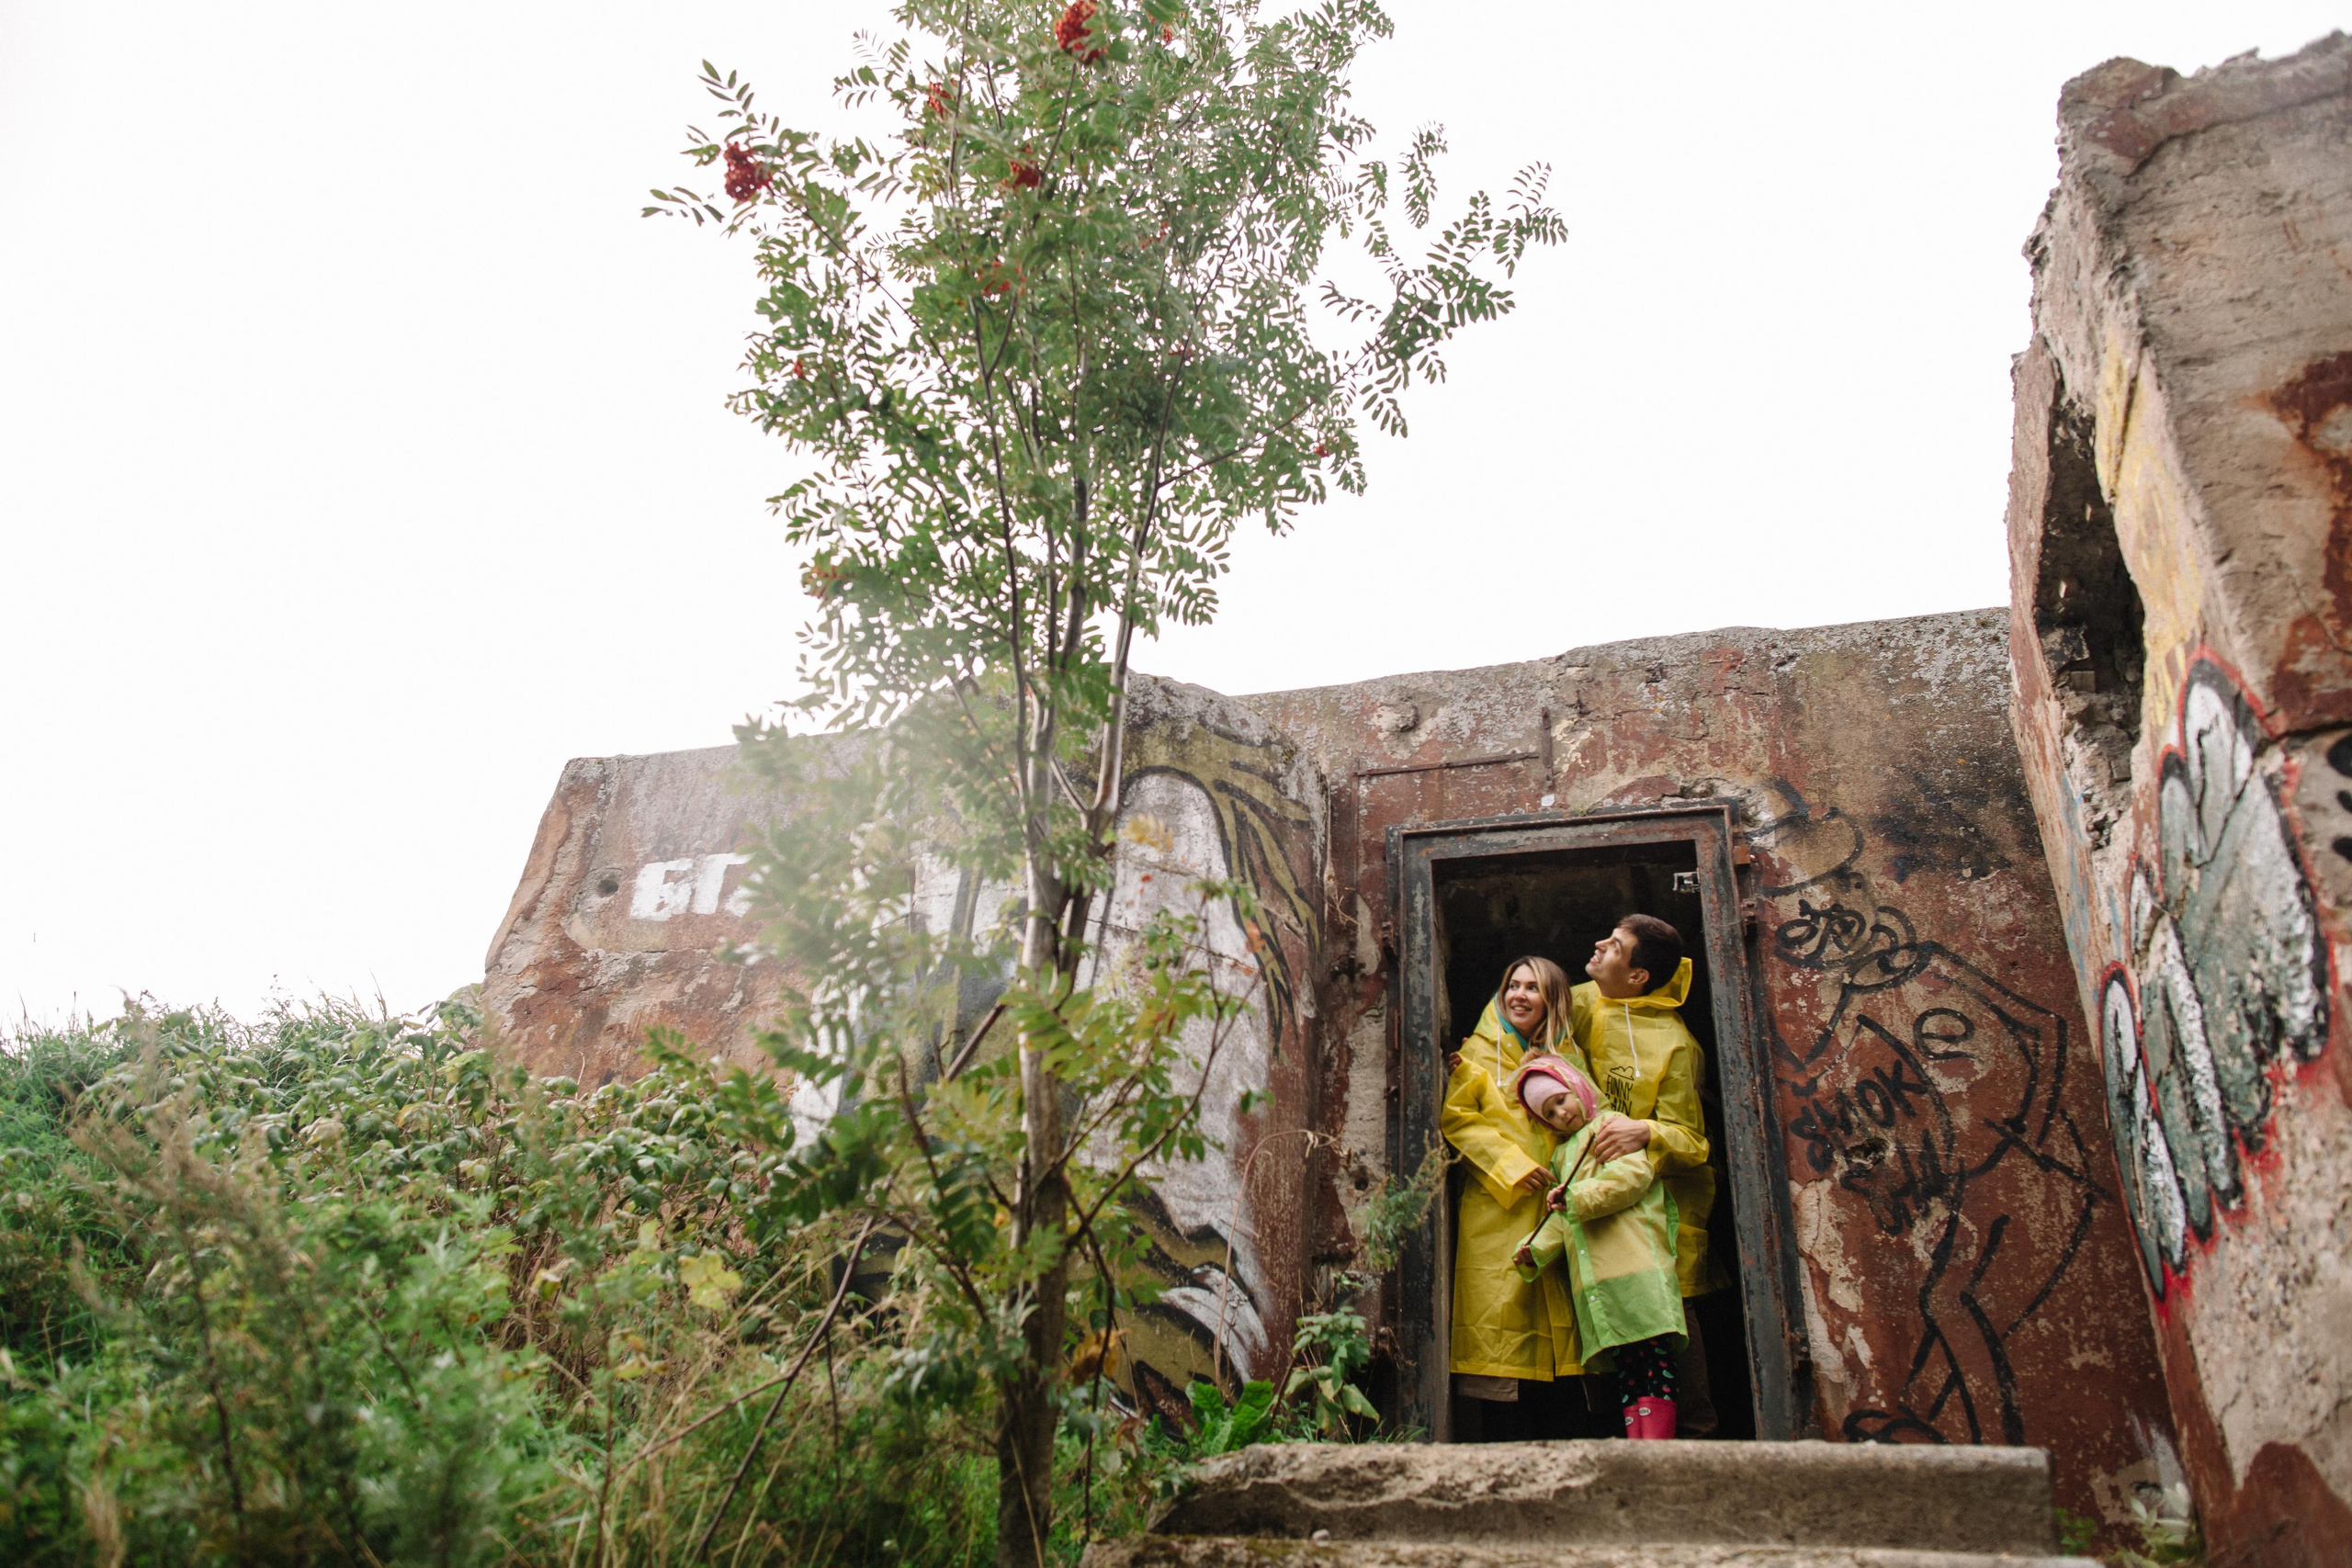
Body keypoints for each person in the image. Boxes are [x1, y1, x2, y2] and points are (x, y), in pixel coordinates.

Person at [1571, 914, 1724, 1432]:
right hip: (1590, 1199)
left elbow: (1695, 1142)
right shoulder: (1581, 1000)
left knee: (1671, 1334)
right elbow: (1513, 1027)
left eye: (1614, 946)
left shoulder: (1675, 1044)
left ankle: (1694, 1449)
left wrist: (1646, 1132)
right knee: (1598, 1329)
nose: (1599, 945)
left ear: (1638, 976)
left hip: (1658, 1217)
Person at [1440, 955, 1589, 1431]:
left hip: (1561, 1212)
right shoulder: (1477, 1054)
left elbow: (1591, 1120)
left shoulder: (1571, 1057)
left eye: (1533, 988)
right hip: (1498, 1215)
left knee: (1565, 1354)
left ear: (1552, 1000)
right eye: (1513, 985)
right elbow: (1459, 1120)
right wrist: (1511, 1167)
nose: (1519, 995)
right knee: (1504, 1348)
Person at [1509, 1053, 1686, 1438]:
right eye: (1549, 1114)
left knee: (1654, 1361)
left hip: (1635, 1269)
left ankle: (1659, 1449)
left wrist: (1573, 1197)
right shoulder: (1560, 1156)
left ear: (1578, 1089)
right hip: (1599, 1286)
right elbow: (1562, 1218)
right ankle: (1641, 1447)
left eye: (1561, 1100)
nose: (1561, 1114)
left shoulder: (1611, 1126)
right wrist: (1533, 1248)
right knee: (1630, 1371)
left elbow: (1631, 1178)